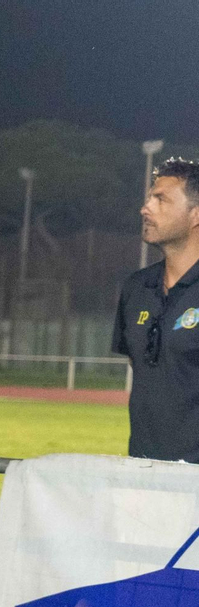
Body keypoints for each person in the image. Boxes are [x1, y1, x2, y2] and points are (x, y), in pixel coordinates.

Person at [114, 157, 199, 462]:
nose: (145, 208)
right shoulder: (136, 288)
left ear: (195, 214)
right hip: (143, 476)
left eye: (160, 199)